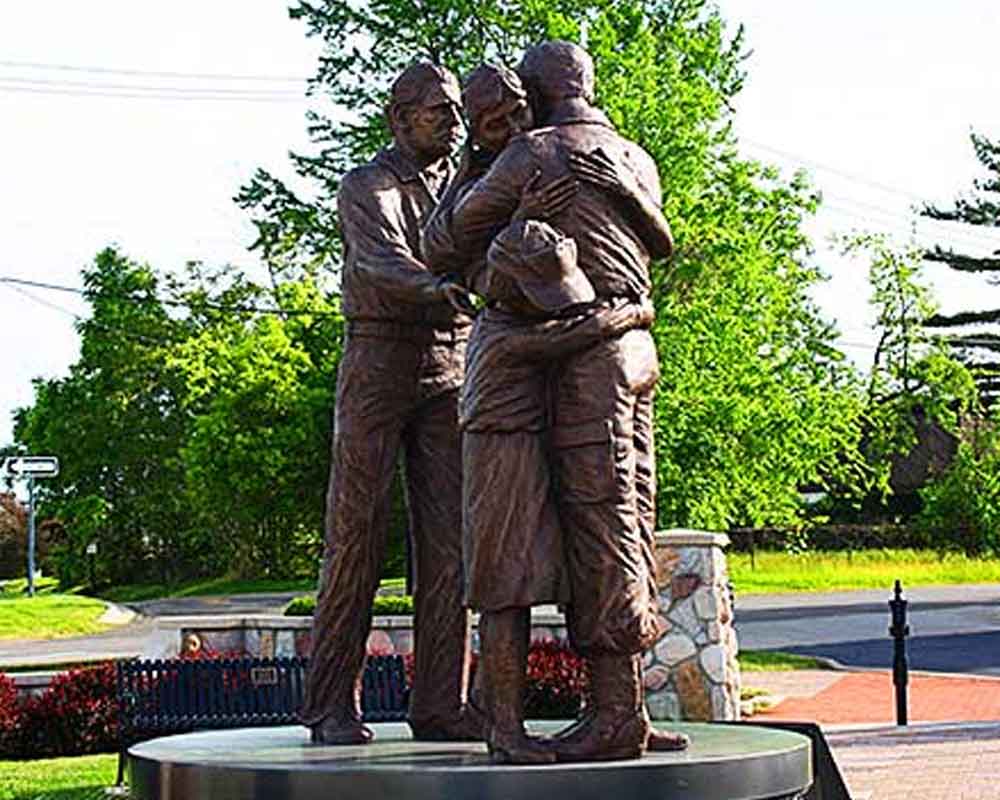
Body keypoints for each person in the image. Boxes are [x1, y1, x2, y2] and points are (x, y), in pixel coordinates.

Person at [424, 41, 688, 762]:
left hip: (583, 370)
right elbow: (658, 247)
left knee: (601, 530)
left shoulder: (533, 155)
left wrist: (484, 171)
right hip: (629, 355)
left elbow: (444, 241)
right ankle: (618, 709)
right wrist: (632, 312)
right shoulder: (637, 157)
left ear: (534, 97)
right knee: (624, 523)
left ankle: (615, 716)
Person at [301, 61, 483, 746]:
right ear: (398, 117)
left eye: (458, 110)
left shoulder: (464, 185)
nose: (455, 122)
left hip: (451, 364)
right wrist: (440, 287)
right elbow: (379, 259)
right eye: (440, 111)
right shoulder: (366, 185)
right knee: (356, 536)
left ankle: (441, 703)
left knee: (450, 547)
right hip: (378, 362)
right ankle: (329, 707)